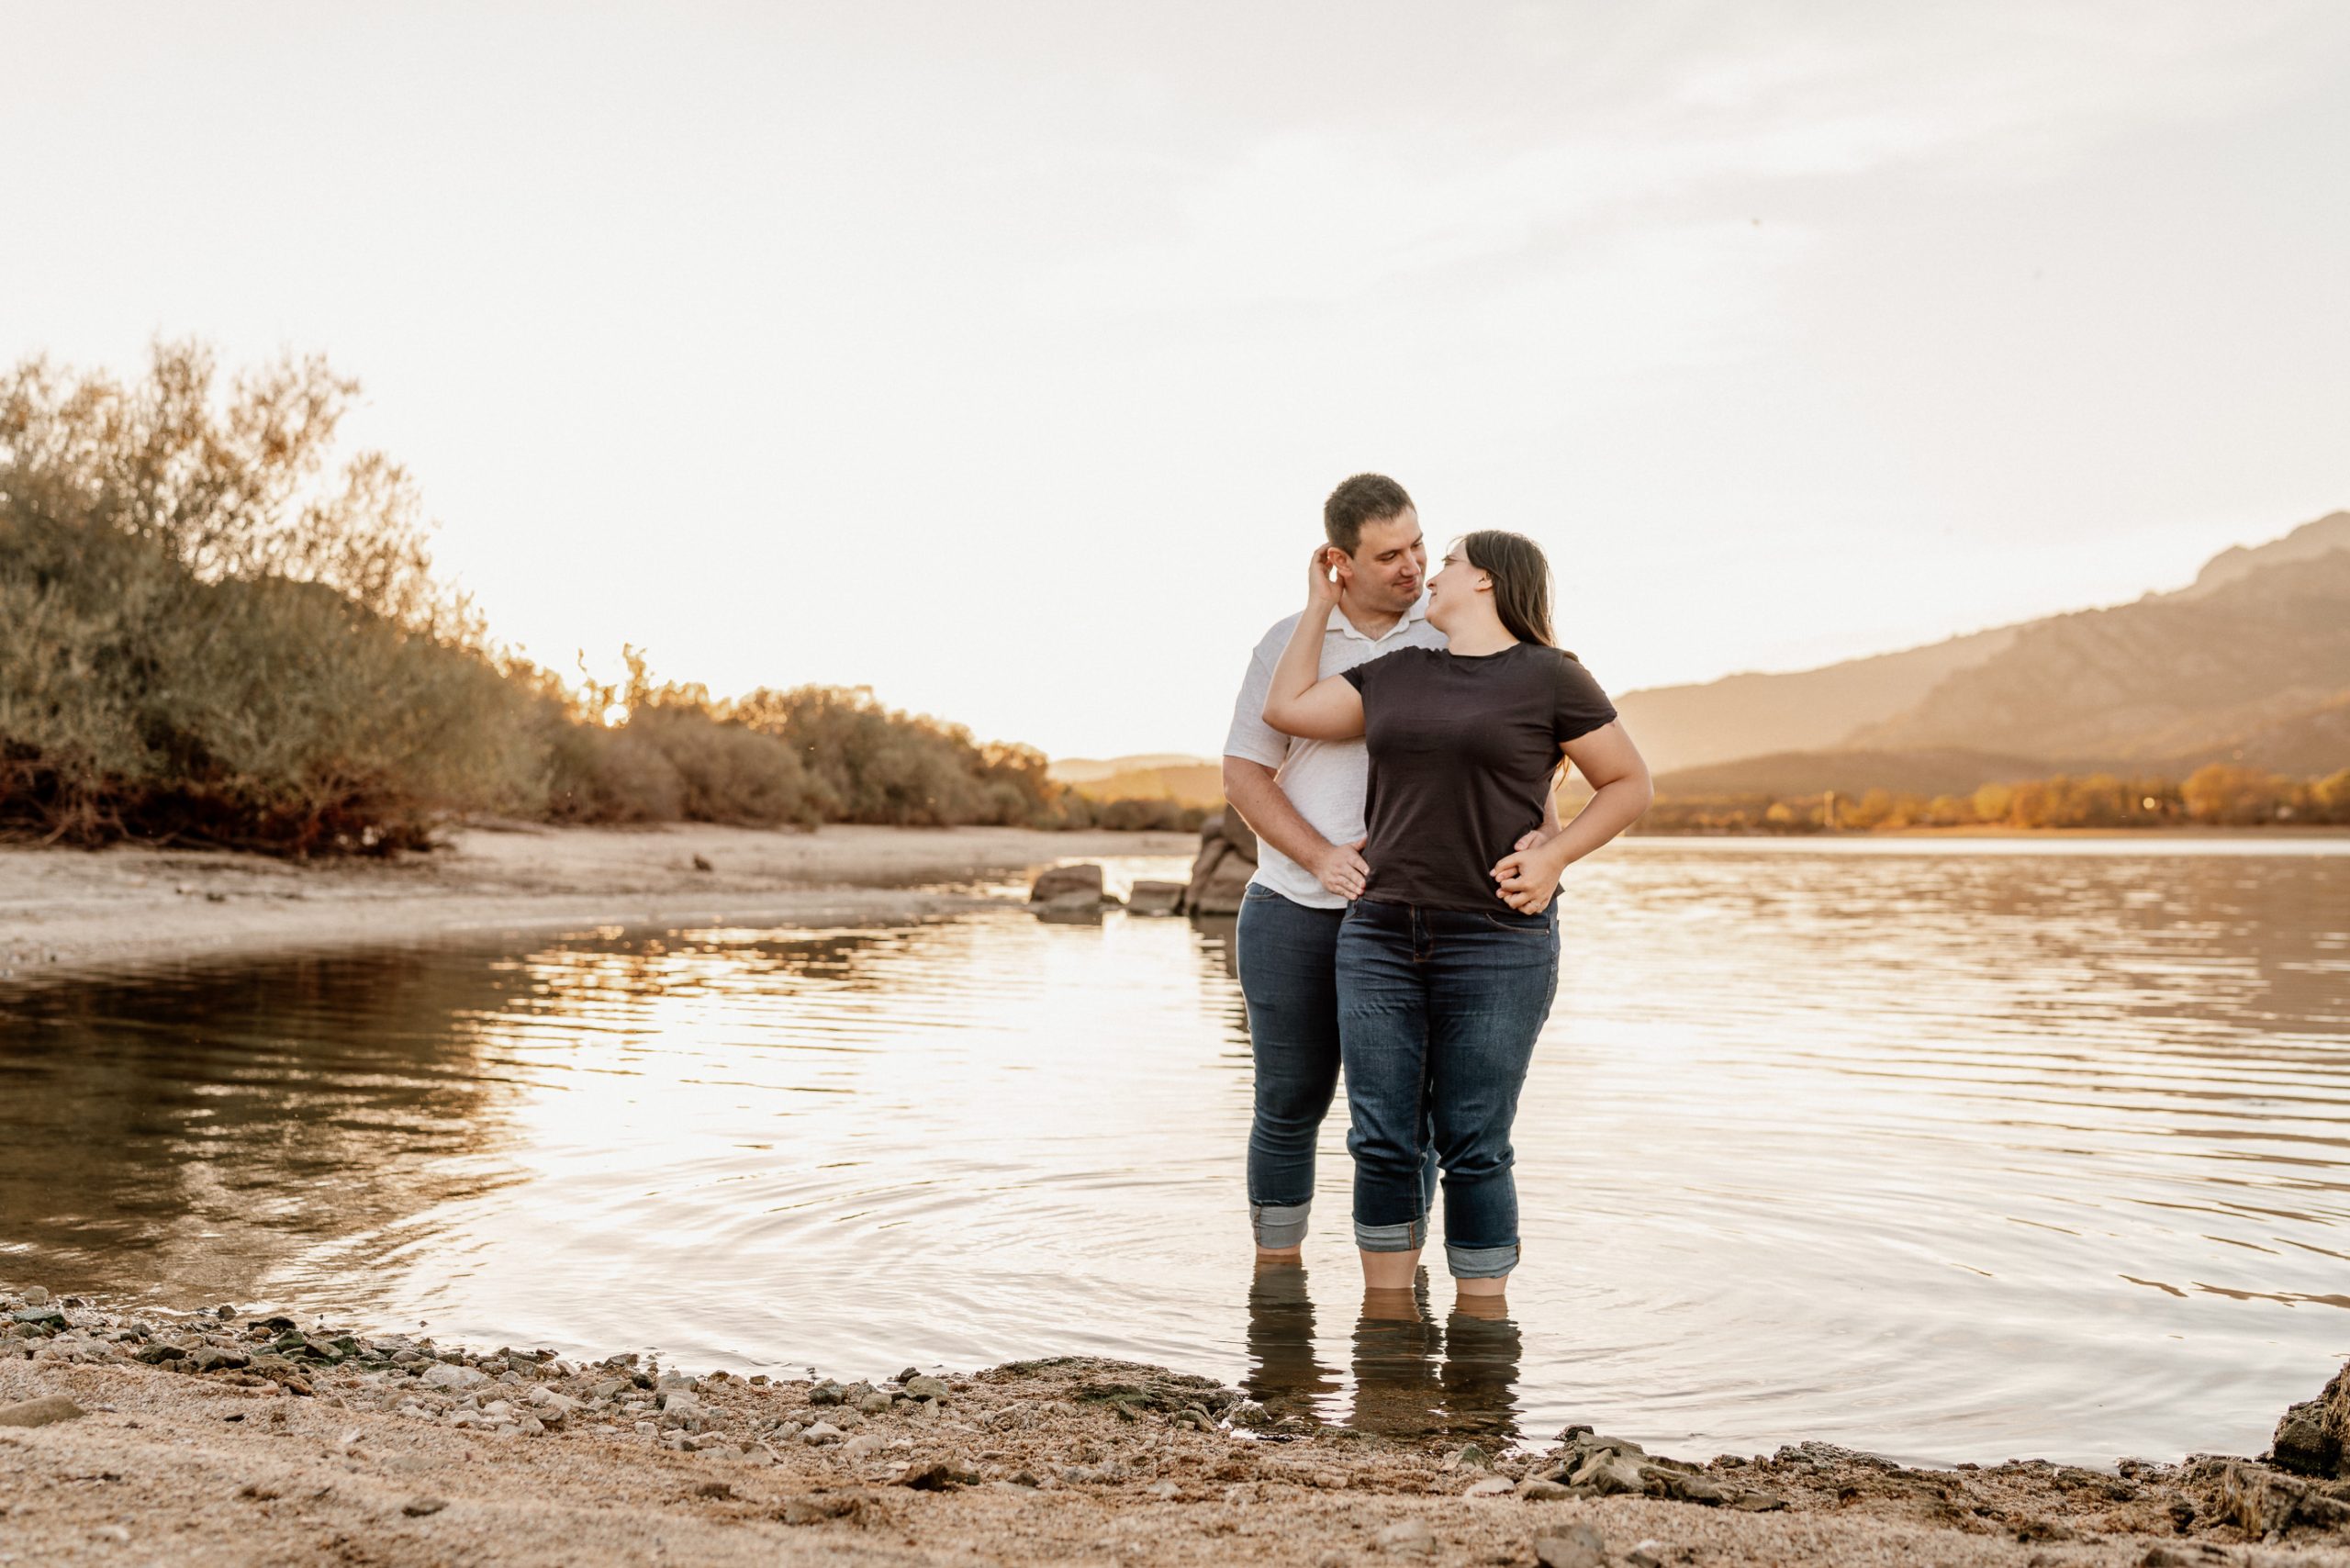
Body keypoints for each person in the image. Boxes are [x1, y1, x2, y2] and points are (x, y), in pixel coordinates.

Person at [1260, 528, 1651, 1298]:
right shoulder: (1399, 672)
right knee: (1382, 1141)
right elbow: (1289, 708)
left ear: (1489, 582)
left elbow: (1630, 784)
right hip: (1379, 932)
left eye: (1448, 562)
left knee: (1475, 1141)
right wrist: (1318, 606)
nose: (1430, 575)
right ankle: (1386, 1331)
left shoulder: (1553, 678)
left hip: (1498, 937)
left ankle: (1483, 1336)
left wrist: (1554, 855)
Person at [1223, 476, 1565, 1262]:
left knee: (1404, 1119)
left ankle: (1399, 1298)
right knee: (1288, 1102)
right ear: (1339, 562)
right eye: (1389, 555)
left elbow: (1527, 752)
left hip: (1419, 910)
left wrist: (1546, 854)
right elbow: (1245, 772)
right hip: (1294, 906)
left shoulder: (1449, 627)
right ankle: (1275, 1289)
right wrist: (1321, 856)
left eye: (1419, 545)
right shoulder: (1287, 644)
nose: (1413, 566)